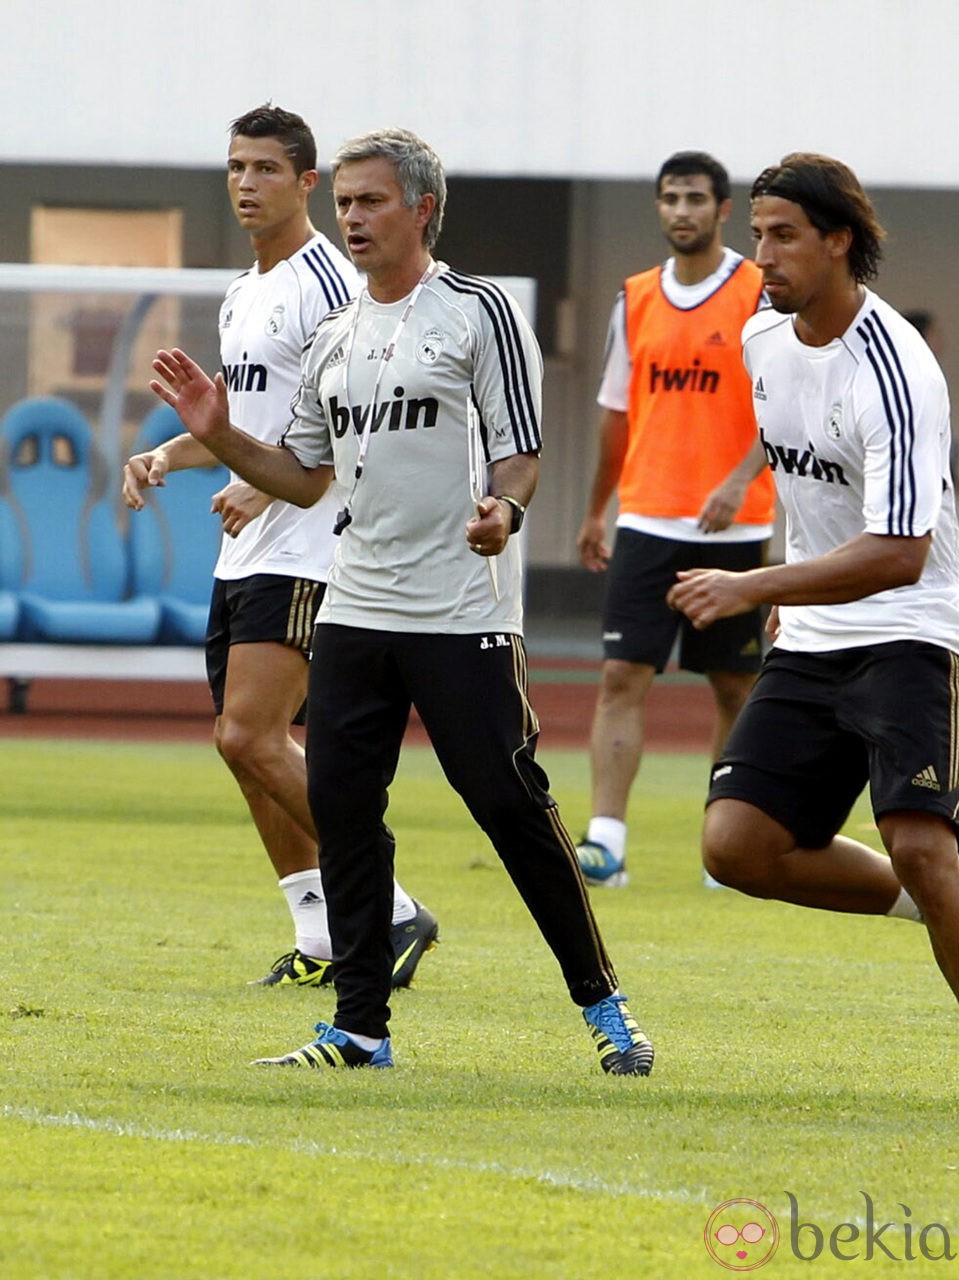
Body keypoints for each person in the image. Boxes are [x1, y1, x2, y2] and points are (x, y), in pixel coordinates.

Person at [149, 127, 654, 1075]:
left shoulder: (480, 313)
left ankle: (606, 1009)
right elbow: (301, 476)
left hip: (461, 610)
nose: (352, 218)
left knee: (508, 805)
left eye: (371, 201)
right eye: (344, 201)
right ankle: (360, 1030)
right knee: (342, 805)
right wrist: (218, 435)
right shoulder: (338, 334)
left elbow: (521, 452)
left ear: (422, 208)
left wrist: (503, 507)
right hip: (354, 606)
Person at [667, 152, 959, 1126]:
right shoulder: (764, 339)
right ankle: (947, 907)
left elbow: (895, 551)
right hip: (810, 631)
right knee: (737, 845)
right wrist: (785, 583)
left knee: (919, 845)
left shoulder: (893, 369)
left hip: (909, 629)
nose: (758, 253)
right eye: (755, 233)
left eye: (780, 235)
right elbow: (802, 469)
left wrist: (748, 580)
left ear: (838, 239)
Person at [123, 105, 437, 990]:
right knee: (242, 746)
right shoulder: (242, 291)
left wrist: (267, 483)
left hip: (311, 540)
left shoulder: (329, 283)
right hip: (245, 549)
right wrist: (166, 452)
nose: (246, 184)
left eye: (265, 169)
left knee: (251, 734)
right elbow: (243, 425)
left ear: (306, 183)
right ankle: (320, 935)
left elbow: (361, 413)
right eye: (235, 168)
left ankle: (395, 905)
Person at [575, 151, 776, 890]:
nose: (682, 210)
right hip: (648, 521)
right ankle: (606, 843)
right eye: (670, 198)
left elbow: (786, 404)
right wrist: (598, 509)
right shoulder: (634, 299)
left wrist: (738, 478)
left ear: (723, 210)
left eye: (695, 198)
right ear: (659, 208)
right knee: (622, 674)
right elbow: (615, 415)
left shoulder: (759, 294)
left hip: (735, 529)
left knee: (734, 685)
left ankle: (726, 843)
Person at [903, 309, 959, 501]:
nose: (941, 340)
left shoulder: (931, 377)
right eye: (936, 333)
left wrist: (955, 477)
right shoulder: (911, 379)